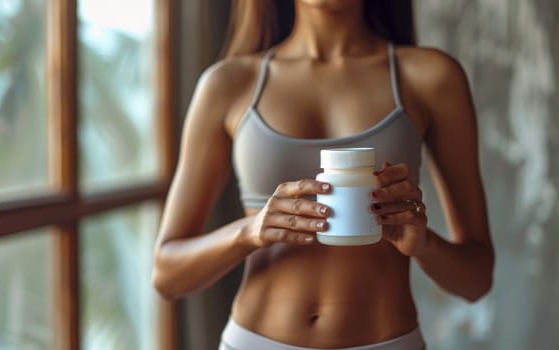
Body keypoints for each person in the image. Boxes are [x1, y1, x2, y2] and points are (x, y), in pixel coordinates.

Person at [153, 0, 495, 349]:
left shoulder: (431, 77)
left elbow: (476, 281)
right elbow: (167, 275)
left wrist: (425, 245)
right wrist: (251, 231)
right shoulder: (228, 83)